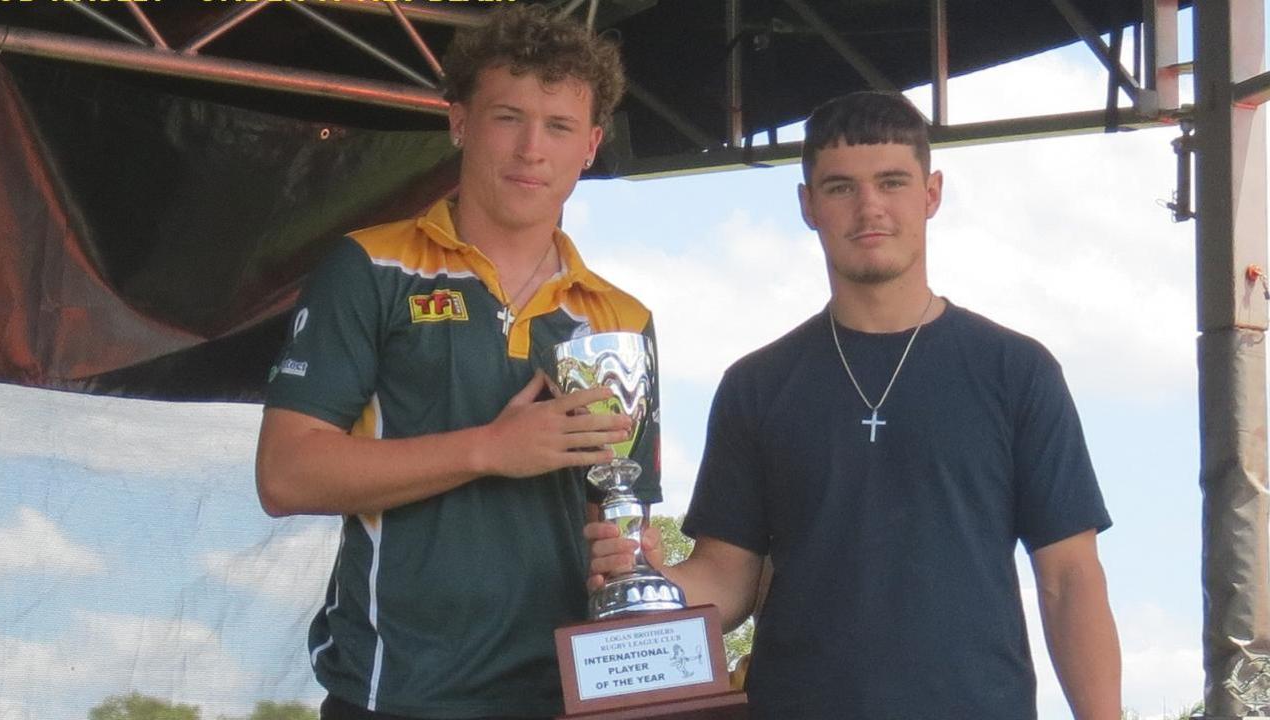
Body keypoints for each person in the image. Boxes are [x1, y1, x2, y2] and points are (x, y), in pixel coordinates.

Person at [586, 91, 1121, 719]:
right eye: (840, 188)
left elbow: (1069, 580)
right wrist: (649, 577)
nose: (870, 207)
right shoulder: (756, 386)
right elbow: (727, 580)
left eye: (892, 182)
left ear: (932, 193)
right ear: (808, 205)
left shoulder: (1016, 371)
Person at [256, 6, 661, 719]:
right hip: (395, 695)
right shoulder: (371, 266)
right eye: (509, 117)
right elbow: (286, 474)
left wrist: (625, 555)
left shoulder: (621, 320)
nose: (532, 148)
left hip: (564, 698)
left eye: (559, 126)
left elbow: (617, 508)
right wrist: (489, 449)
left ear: (591, 145)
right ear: (459, 122)